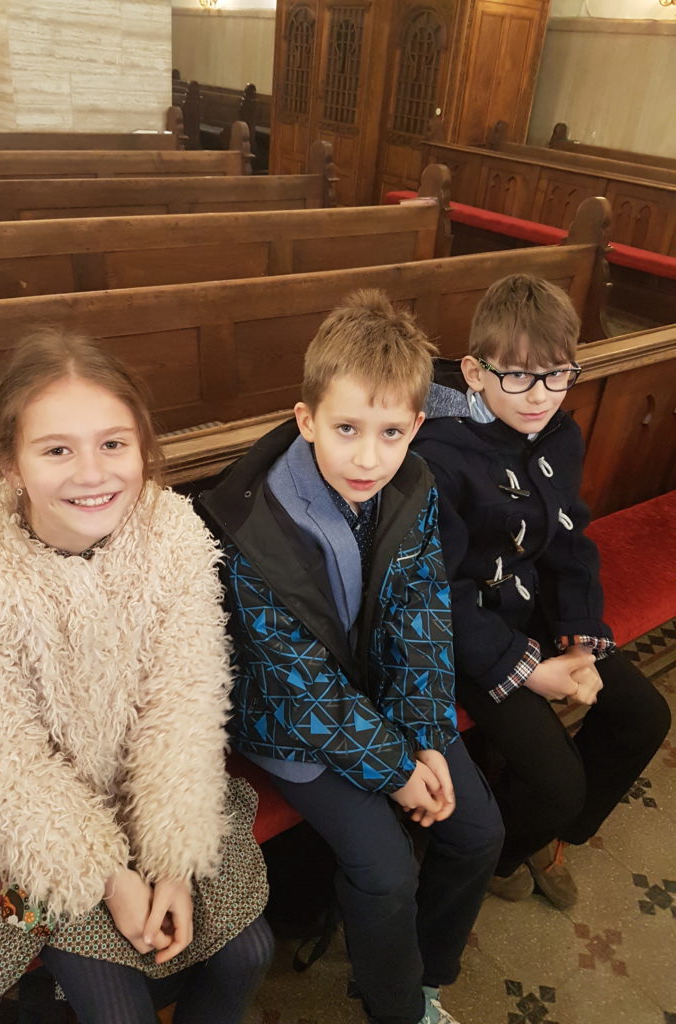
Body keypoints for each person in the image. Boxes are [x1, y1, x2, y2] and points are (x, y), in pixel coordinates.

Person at [0, 329, 273, 1024]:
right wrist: (110, 879)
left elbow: (184, 703)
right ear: (10, 464)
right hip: (30, 824)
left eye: (112, 444)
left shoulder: (173, 534)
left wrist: (172, 859)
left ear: (142, 448)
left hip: (152, 791)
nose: (92, 474)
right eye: (56, 450)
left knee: (247, 953)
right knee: (117, 1005)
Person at [199, 290, 504, 1024]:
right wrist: (398, 770)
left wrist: (425, 733)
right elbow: (296, 686)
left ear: (416, 427)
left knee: (478, 831)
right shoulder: (252, 524)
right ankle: (396, 1008)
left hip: (378, 698)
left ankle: (425, 977)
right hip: (287, 722)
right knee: (386, 869)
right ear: (307, 420)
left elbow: (421, 614)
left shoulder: (412, 485)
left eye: (391, 432)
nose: (369, 457)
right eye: (346, 429)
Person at [412, 274, 671, 909]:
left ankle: (544, 836)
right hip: (467, 637)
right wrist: (532, 671)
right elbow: (436, 591)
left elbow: (568, 541)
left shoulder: (558, 431)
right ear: (475, 372)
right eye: (519, 376)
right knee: (558, 783)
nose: (541, 396)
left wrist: (580, 641)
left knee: (645, 717)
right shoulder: (438, 455)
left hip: (530, 606)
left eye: (558, 376)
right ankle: (497, 858)